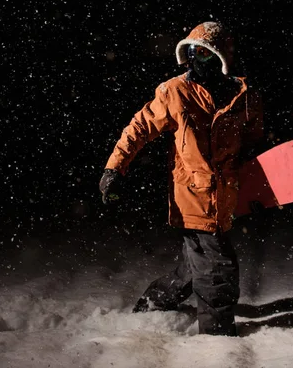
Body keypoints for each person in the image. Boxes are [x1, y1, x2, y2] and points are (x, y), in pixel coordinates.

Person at [99, 21, 264, 336]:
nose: (193, 60)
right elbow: (139, 127)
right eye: (189, 52)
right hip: (191, 193)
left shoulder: (245, 96)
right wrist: (114, 168)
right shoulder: (174, 91)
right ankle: (216, 339)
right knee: (218, 270)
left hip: (226, 195)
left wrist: (257, 185)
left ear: (221, 57)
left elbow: (254, 142)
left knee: (194, 266)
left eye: (202, 52)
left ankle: (154, 303)